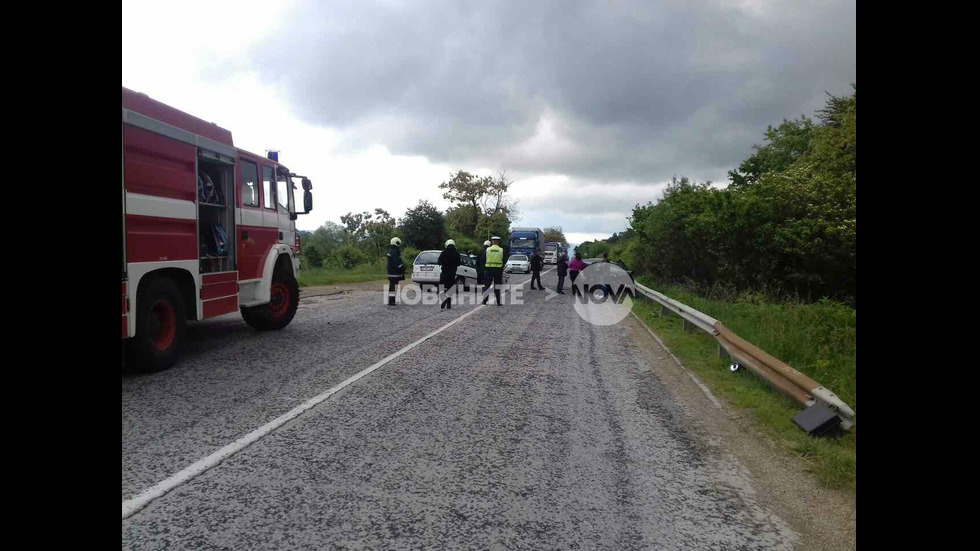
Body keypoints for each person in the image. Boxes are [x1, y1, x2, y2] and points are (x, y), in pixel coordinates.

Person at [437, 239, 461, 310]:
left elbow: (439, 261)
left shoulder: (444, 253)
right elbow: (459, 263)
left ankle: (444, 299)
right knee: (450, 288)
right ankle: (449, 304)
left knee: (441, 287)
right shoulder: (457, 253)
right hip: (452, 274)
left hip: (444, 273)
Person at [482, 236, 504, 305]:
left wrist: (484, 269)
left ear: (492, 242)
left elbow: (483, 259)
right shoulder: (501, 250)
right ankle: (498, 302)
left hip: (489, 270)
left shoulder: (487, 249)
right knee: (497, 286)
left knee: (487, 286)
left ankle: (484, 301)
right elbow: (505, 260)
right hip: (498, 270)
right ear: (498, 242)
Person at [386, 237, 405, 306]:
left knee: (391, 286)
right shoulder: (395, 251)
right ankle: (392, 301)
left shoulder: (390, 250)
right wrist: (402, 268)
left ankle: (391, 300)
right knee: (394, 286)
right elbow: (397, 262)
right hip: (395, 272)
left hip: (390, 272)